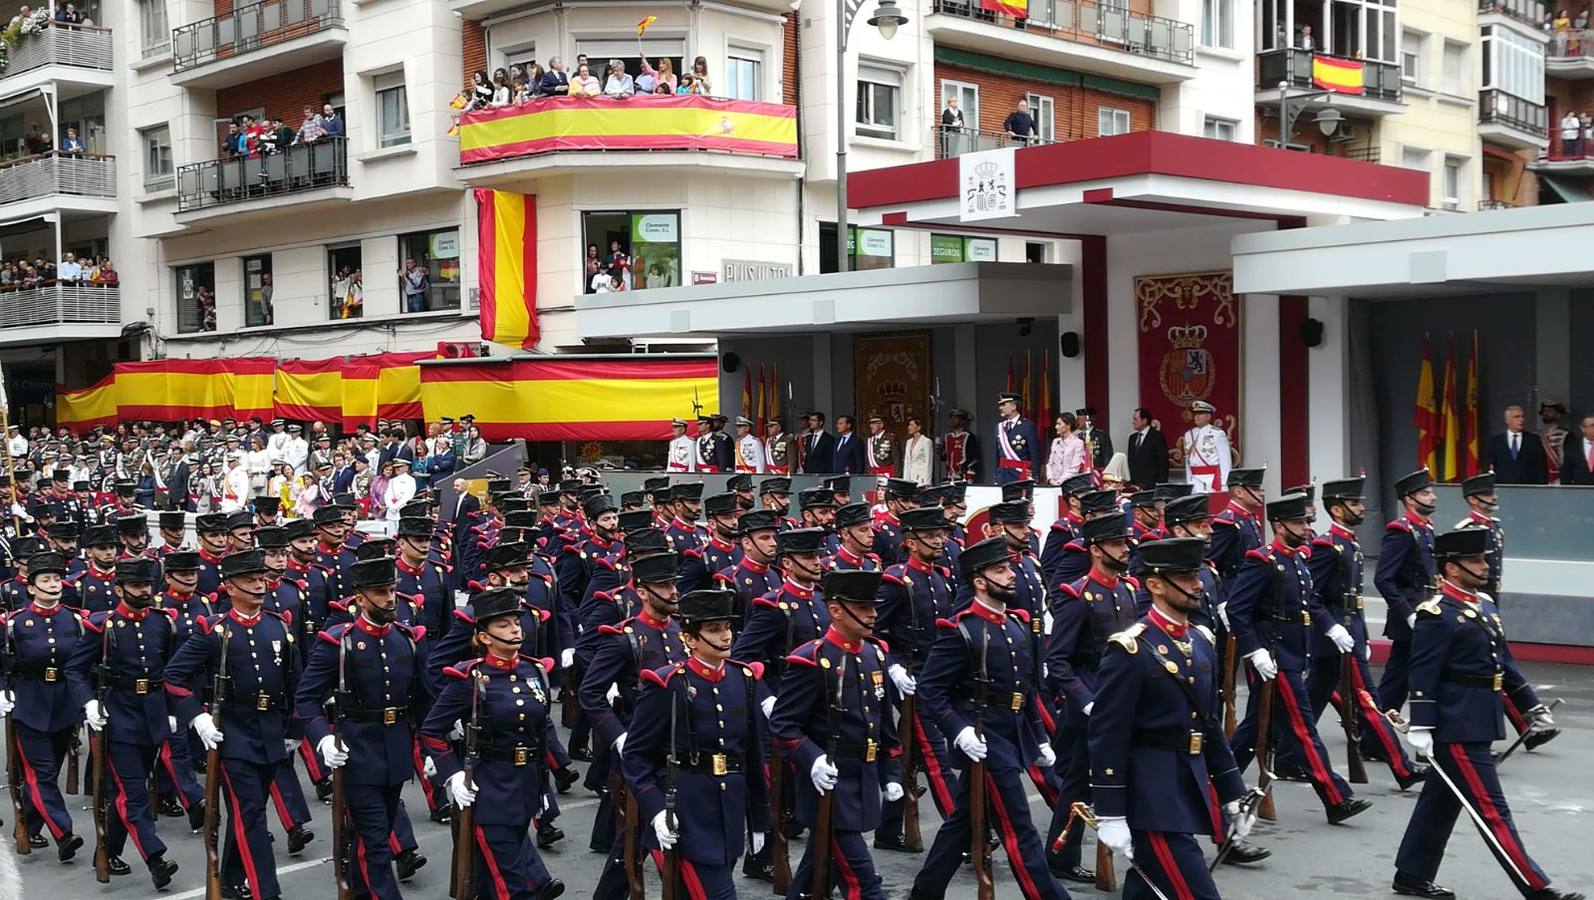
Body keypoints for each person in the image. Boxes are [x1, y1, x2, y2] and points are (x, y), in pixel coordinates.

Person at [1392, 527, 1582, 900]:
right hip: (1456, 724)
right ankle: (1537, 888)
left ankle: (1412, 873)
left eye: (1483, 558)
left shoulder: (1484, 605)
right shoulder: (1436, 614)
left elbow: (1503, 664)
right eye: (1475, 560)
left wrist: (1530, 706)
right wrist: (1422, 725)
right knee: (1492, 811)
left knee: (1441, 801)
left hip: (1481, 718)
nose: (1484, 566)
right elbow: (1423, 671)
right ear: (1451, 568)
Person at [1088, 537, 1258, 900]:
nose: (1197, 583)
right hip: (1151, 798)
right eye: (1184, 575)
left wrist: (1232, 793)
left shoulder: (1199, 639)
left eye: (1195, 573)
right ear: (1155, 585)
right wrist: (1111, 812)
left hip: (1188, 783)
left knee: (1148, 891)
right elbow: (1108, 735)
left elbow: (1209, 723)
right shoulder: (1130, 649)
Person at [909, 538, 1068, 900]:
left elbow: (1027, 689)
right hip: (984, 739)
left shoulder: (1018, 624)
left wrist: (1040, 737)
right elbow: (931, 690)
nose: (1011, 576)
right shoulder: (960, 629)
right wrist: (959, 729)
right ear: (979, 581)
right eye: (1001, 570)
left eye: (1009, 568)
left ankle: (924, 892)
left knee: (962, 823)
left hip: (1013, 734)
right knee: (1019, 830)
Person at [163, 549, 308, 900]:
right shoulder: (215, 631)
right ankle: (265, 891)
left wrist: (294, 731)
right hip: (234, 734)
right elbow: (174, 677)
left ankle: (229, 878)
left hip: (271, 730)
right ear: (229, 586)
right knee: (251, 814)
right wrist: (196, 716)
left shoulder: (279, 627)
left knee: (250, 809)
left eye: (261, 579)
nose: (259, 585)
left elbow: (296, 683)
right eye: (250, 580)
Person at [1227, 493, 1371, 824]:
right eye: (1299, 522)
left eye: (1307, 521)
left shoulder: (1296, 560)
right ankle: (1336, 798)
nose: (1307, 528)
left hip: (1292, 654)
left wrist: (1333, 629)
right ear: (1278, 525)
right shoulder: (1262, 561)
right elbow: (1238, 610)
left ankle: (1213, 784)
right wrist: (1255, 649)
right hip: (1275, 658)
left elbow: (1307, 606)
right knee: (1303, 728)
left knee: (1252, 732)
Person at [295, 555, 429, 900]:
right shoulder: (339, 642)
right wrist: (323, 739)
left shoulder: (407, 639)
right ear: (360, 599)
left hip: (396, 749)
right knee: (374, 841)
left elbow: (423, 699)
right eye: (380, 592)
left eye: (392, 590)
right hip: (357, 753)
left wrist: (431, 747)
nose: (389, 599)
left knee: (376, 836)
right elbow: (306, 699)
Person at [420, 588, 566, 900]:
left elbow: (540, 733)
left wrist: (543, 788)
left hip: (525, 786)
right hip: (489, 790)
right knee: (512, 886)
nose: (515, 628)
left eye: (516, 621)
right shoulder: (470, 678)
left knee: (490, 879)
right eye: (503, 624)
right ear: (484, 636)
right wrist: (453, 773)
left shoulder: (534, 671)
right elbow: (432, 730)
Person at [621, 587, 768, 896]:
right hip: (685, 816)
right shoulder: (668, 684)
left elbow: (752, 755)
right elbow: (635, 756)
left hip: (728, 813)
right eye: (714, 629)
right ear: (689, 639)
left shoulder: (744, 680)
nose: (726, 635)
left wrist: (758, 817)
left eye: (727, 627)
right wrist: (656, 809)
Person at [768, 569, 901, 899]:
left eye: (873, 606)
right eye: (863, 606)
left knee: (816, 872)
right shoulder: (811, 660)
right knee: (863, 882)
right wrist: (811, 759)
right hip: (829, 786)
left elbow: (884, 725)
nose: (873, 613)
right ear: (836, 609)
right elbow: (783, 725)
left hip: (863, 779)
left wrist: (891, 773)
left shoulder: (874, 654)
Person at [1290, 477, 1426, 789]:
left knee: (1314, 695)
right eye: (1354, 503)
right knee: (1369, 701)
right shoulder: (1327, 546)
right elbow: (1311, 597)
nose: (1361, 508)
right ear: (1336, 509)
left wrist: (1361, 634)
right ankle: (1402, 768)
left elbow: (1356, 600)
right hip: (1336, 636)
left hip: (1348, 632)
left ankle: (1286, 756)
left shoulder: (1349, 542)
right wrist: (1332, 628)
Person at [68, 557, 184, 888]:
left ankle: (108, 851)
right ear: (120, 589)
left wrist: (173, 710)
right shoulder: (103, 627)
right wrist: (88, 702)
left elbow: (171, 671)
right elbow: (75, 669)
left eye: (147, 585)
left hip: (152, 714)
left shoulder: (163, 623)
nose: (144, 591)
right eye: (136, 586)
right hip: (117, 717)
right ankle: (155, 858)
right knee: (133, 794)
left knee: (126, 792)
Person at [0, 551, 89, 861]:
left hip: (64, 702)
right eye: (45, 580)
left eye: (55, 578)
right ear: (31, 587)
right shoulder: (13, 623)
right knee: (42, 774)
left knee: (46, 771)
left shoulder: (74, 619)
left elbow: (84, 662)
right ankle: (63, 832)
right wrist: (2, 691)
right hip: (29, 701)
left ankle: (30, 824)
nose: (52, 584)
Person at [1376, 468, 1438, 715]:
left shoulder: (1425, 528)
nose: (1433, 497)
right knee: (1401, 678)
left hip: (1427, 610)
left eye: (1431, 492)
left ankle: (1374, 730)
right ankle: (1375, 729)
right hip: (1411, 614)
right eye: (1426, 493)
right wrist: (1407, 613)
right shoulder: (1401, 531)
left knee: (1399, 679)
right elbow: (1383, 578)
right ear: (1409, 499)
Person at [1484, 404, 1549, 484]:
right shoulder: (1496, 442)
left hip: (1529, 489)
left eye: (1522, 416)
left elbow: (1541, 468)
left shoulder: (1534, 440)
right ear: (1507, 420)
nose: (1521, 419)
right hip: (1503, 488)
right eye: (1517, 417)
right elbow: (1490, 466)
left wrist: (1541, 489)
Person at [1180, 400, 1232, 492]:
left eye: (1200, 413)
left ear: (1208, 416)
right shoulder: (1189, 434)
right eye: (1195, 413)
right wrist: (1189, 481)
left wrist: (1224, 483)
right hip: (1195, 480)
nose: (1196, 416)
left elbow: (1225, 461)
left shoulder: (1217, 433)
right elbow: (1189, 460)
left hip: (1212, 480)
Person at [994, 392, 1039, 485]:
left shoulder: (1027, 426)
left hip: (1020, 475)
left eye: (1003, 405)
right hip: (1003, 476)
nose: (1000, 408)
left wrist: (1034, 476)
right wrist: (996, 475)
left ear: (1013, 406)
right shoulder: (1000, 427)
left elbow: (1034, 453)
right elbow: (997, 455)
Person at [1126, 406, 1169, 489]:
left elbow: (1163, 463)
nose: (1133, 422)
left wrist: (1161, 485)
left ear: (1144, 421)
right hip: (1134, 485)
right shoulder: (1132, 438)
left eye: (1135, 419)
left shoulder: (1157, 437)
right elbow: (1131, 461)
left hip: (1151, 485)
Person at [1044, 411, 1087, 484]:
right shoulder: (1055, 441)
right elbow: (1049, 464)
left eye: (1059, 424)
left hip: (1068, 484)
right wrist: (1050, 479)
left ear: (1068, 425)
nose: (1056, 427)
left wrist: (1059, 481)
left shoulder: (1078, 443)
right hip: (1053, 484)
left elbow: (1074, 468)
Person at [941, 408, 981, 481]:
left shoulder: (969, 436)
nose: (952, 420)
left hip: (964, 475)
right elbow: (944, 457)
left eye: (955, 418)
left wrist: (970, 475)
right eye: (951, 418)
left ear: (962, 420)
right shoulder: (948, 437)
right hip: (950, 475)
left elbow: (973, 458)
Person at [1561, 413, 1594, 484]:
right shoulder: (1572, 447)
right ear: (1582, 428)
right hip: (1580, 491)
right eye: (1592, 425)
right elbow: (1566, 472)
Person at [902, 415, 933, 484]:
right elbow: (907, 462)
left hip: (921, 478)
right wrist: (905, 480)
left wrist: (927, 482)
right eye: (909, 425)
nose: (909, 427)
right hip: (909, 477)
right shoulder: (909, 442)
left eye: (912, 425)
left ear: (918, 427)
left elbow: (928, 463)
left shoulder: (926, 441)